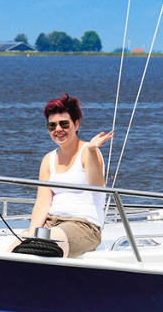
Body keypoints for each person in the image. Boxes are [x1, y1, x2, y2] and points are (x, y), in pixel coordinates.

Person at [25, 93, 113, 258]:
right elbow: (42, 203)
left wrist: (93, 151)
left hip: (84, 226)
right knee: (19, 248)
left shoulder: (88, 152)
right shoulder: (48, 159)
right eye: (52, 126)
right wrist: (31, 232)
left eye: (64, 124)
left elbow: (97, 185)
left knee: (46, 245)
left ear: (76, 124)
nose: (58, 129)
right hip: (52, 221)